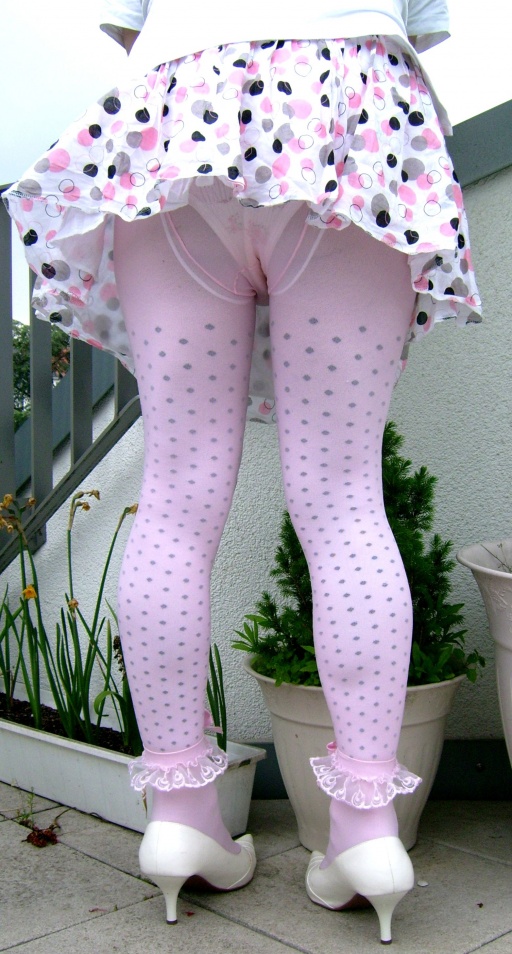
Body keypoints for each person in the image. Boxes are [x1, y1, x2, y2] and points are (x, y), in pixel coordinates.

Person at [4, 0, 481, 943]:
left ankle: (180, 820)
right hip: (352, 114)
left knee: (175, 499)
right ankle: (366, 835)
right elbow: (414, 28)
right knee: (345, 502)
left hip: (176, 118)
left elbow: (133, 31)